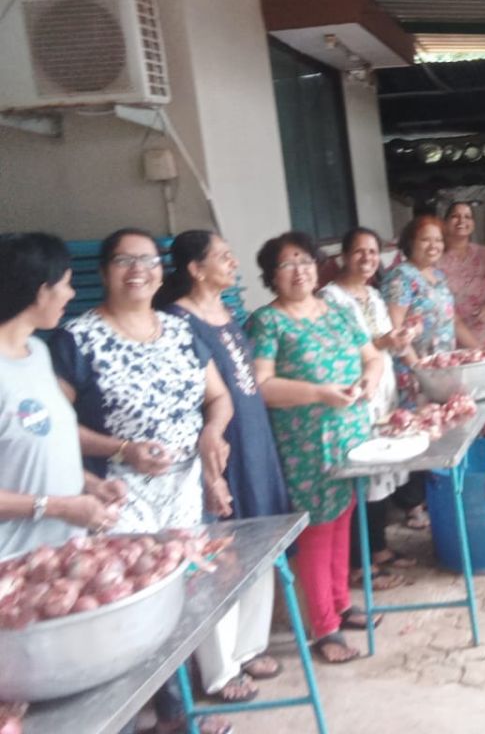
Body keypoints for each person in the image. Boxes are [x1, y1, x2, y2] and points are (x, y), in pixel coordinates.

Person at [50, 228, 235, 734]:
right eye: (124, 260)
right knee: (125, 606)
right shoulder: (76, 339)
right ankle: (134, 719)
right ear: (103, 271)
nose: (138, 270)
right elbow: (55, 429)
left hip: (183, 489)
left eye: (149, 260)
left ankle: (176, 712)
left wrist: (211, 433)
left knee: (179, 599)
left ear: (161, 270)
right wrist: (121, 448)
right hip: (114, 492)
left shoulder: (179, 329)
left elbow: (218, 398)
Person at [157, 230, 292, 702]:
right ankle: (219, 669)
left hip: (253, 440)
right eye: (223, 257)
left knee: (261, 538)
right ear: (195, 269)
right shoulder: (178, 321)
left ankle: (250, 646)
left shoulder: (225, 312)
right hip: (219, 448)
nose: (233, 262)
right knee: (220, 554)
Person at [248, 231, 385, 665]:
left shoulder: (338, 312)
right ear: (272, 276)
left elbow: (373, 356)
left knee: (343, 518)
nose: (299, 271)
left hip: (350, 436)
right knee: (317, 530)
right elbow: (262, 385)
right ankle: (323, 627)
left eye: (305, 261)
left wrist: (369, 381)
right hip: (305, 444)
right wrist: (318, 393)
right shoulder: (267, 321)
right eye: (287, 264)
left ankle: (341, 603)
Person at [0, 232, 125, 560]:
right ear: (41, 291)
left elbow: (45, 446)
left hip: (58, 556)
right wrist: (60, 507)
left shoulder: (38, 352)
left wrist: (88, 483)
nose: (71, 294)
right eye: (66, 283)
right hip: (11, 563)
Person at [319, 226, 416, 587]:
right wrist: (384, 342)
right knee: (363, 476)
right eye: (359, 251)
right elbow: (343, 349)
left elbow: (384, 341)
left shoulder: (374, 295)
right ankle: (359, 563)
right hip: (355, 391)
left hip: (383, 387)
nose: (367, 258)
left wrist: (401, 339)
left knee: (382, 473)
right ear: (344, 256)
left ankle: (379, 548)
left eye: (373, 252)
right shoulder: (330, 299)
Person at [382, 215, 480, 527]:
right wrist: (418, 368)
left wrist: (480, 351)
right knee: (415, 431)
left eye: (438, 239)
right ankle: (412, 504)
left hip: (439, 369)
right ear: (410, 242)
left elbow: (453, 321)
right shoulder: (401, 277)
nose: (433, 245)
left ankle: (433, 496)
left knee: (437, 429)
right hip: (412, 372)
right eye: (426, 239)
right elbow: (395, 328)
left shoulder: (437, 276)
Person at [440, 201, 485, 436]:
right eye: (455, 216)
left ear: (474, 223)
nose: (462, 221)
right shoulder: (436, 259)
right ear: (445, 223)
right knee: (465, 397)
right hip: (455, 338)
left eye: (467, 216)